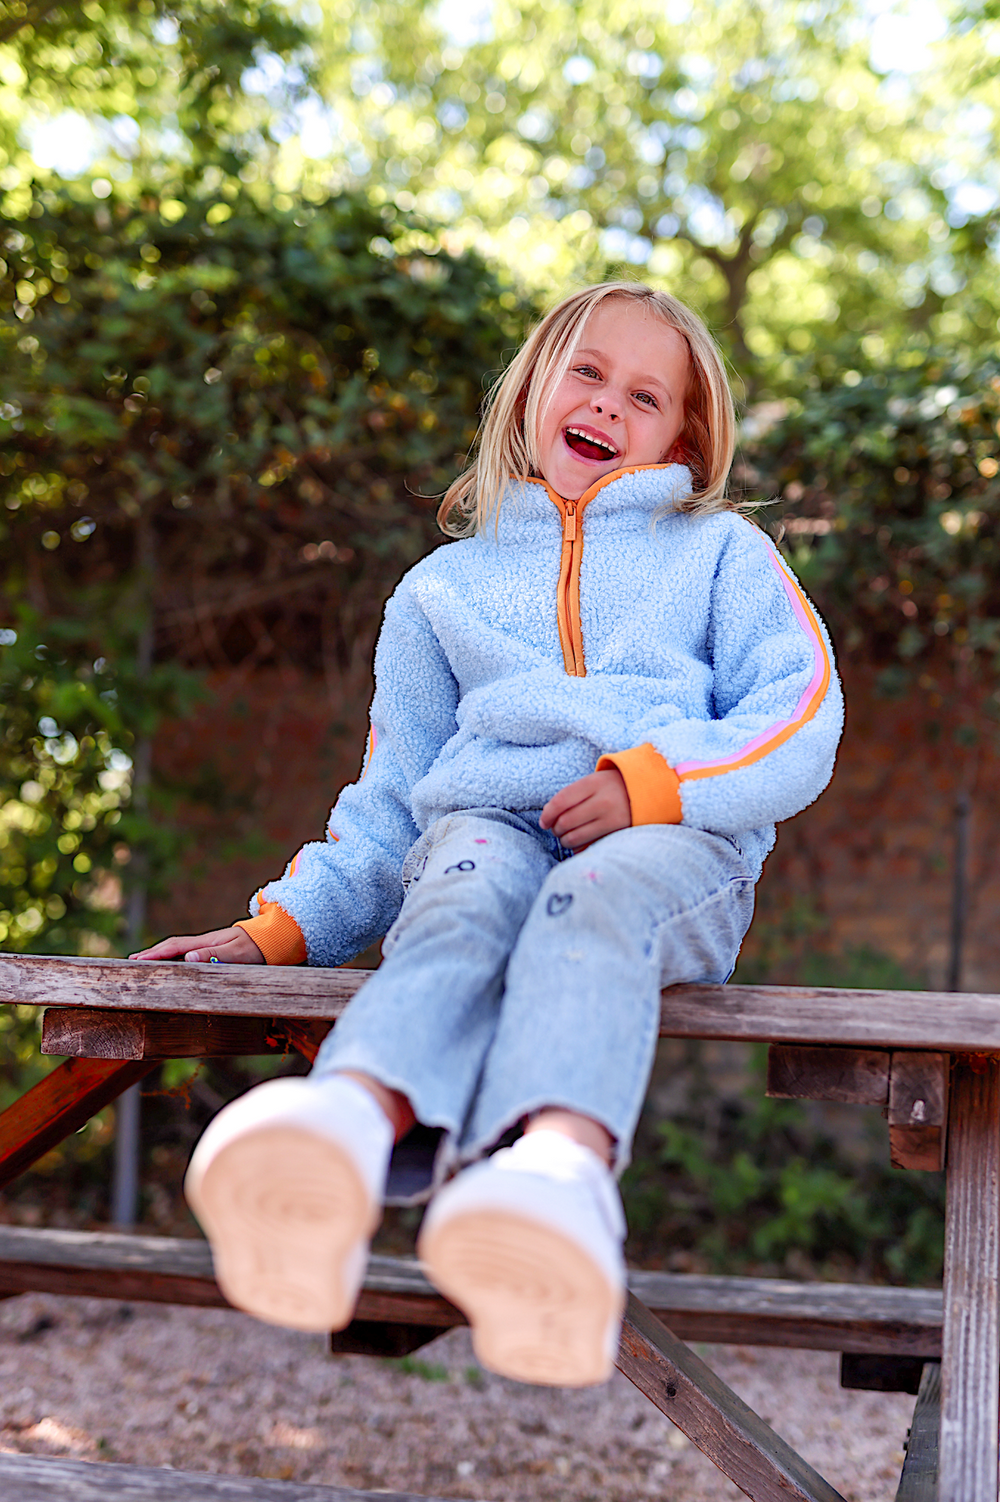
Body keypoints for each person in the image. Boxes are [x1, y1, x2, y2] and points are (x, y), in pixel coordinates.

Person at [135, 281, 843, 1388]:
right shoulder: (438, 592)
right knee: (457, 896)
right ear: (532, 390)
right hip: (488, 826)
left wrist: (655, 781)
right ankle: (342, 1137)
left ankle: (554, 1174)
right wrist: (277, 930)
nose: (609, 403)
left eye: (646, 395)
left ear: (683, 439)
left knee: (589, 901)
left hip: (668, 850)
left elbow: (798, 715)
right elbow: (387, 804)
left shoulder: (719, 555)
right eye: (588, 373)